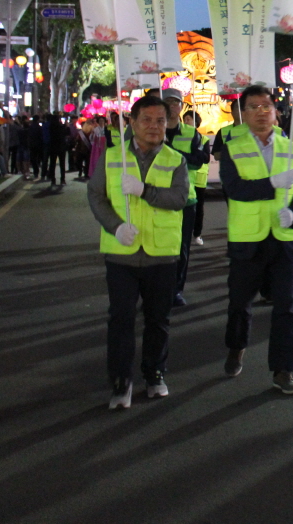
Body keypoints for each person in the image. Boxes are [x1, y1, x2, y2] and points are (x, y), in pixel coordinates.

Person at [86, 94, 189, 410]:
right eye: (147, 119)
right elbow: (97, 196)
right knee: (121, 319)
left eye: (160, 120)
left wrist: (145, 191)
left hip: (162, 253)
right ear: (131, 122)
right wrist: (115, 226)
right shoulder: (112, 157)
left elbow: (179, 198)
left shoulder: (175, 159)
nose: (155, 126)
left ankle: (155, 372)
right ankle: (121, 380)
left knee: (158, 319)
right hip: (122, 253)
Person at [220, 85, 293, 394]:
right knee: (239, 303)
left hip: (285, 238)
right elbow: (234, 188)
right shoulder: (232, 148)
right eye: (254, 107)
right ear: (243, 113)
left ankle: (283, 370)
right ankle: (237, 347)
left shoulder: (291, 147)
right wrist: (270, 184)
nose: (262, 112)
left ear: (276, 112)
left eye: (267, 106)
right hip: (249, 239)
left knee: (287, 306)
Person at [162, 89, 209, 307]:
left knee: (181, 249)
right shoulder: (151, 131)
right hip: (155, 197)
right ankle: (155, 290)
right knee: (158, 247)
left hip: (185, 199)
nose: (173, 106)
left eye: (176, 102)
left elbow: (199, 160)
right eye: (168, 102)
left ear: (182, 107)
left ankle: (175, 290)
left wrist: (172, 153)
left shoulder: (192, 134)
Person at [182, 111, 211, 247]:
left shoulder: (203, 139)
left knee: (199, 209)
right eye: (185, 119)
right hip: (185, 178)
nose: (187, 121)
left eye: (190, 119)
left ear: (196, 122)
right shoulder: (181, 138)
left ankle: (197, 234)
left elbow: (206, 158)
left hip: (199, 179)